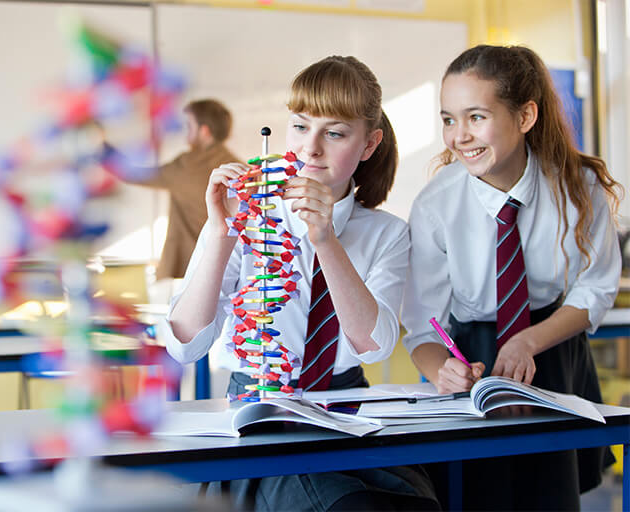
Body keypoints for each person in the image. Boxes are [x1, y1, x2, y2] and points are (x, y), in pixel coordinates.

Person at [161, 56, 439, 511]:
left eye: (335, 133)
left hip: (346, 412)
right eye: (299, 126)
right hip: (258, 416)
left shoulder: (386, 232)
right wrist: (218, 232)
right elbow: (186, 347)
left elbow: (375, 345)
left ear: (369, 144)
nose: (310, 149)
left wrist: (325, 240)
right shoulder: (248, 218)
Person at [401, 44, 623, 510]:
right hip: (473, 361)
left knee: (551, 496)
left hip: (552, 350)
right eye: (448, 119)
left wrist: (528, 342)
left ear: (525, 117)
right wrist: (440, 370)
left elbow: (595, 287)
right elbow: (423, 327)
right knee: (477, 495)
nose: (458, 136)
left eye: (475, 117)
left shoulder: (578, 188)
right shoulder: (436, 205)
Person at [123, 99, 241, 280]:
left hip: (186, 268)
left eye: (188, 126)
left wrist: (101, 151)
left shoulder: (187, 165)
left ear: (204, 131)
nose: (185, 133)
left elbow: (134, 173)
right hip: (230, 267)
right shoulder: (237, 166)